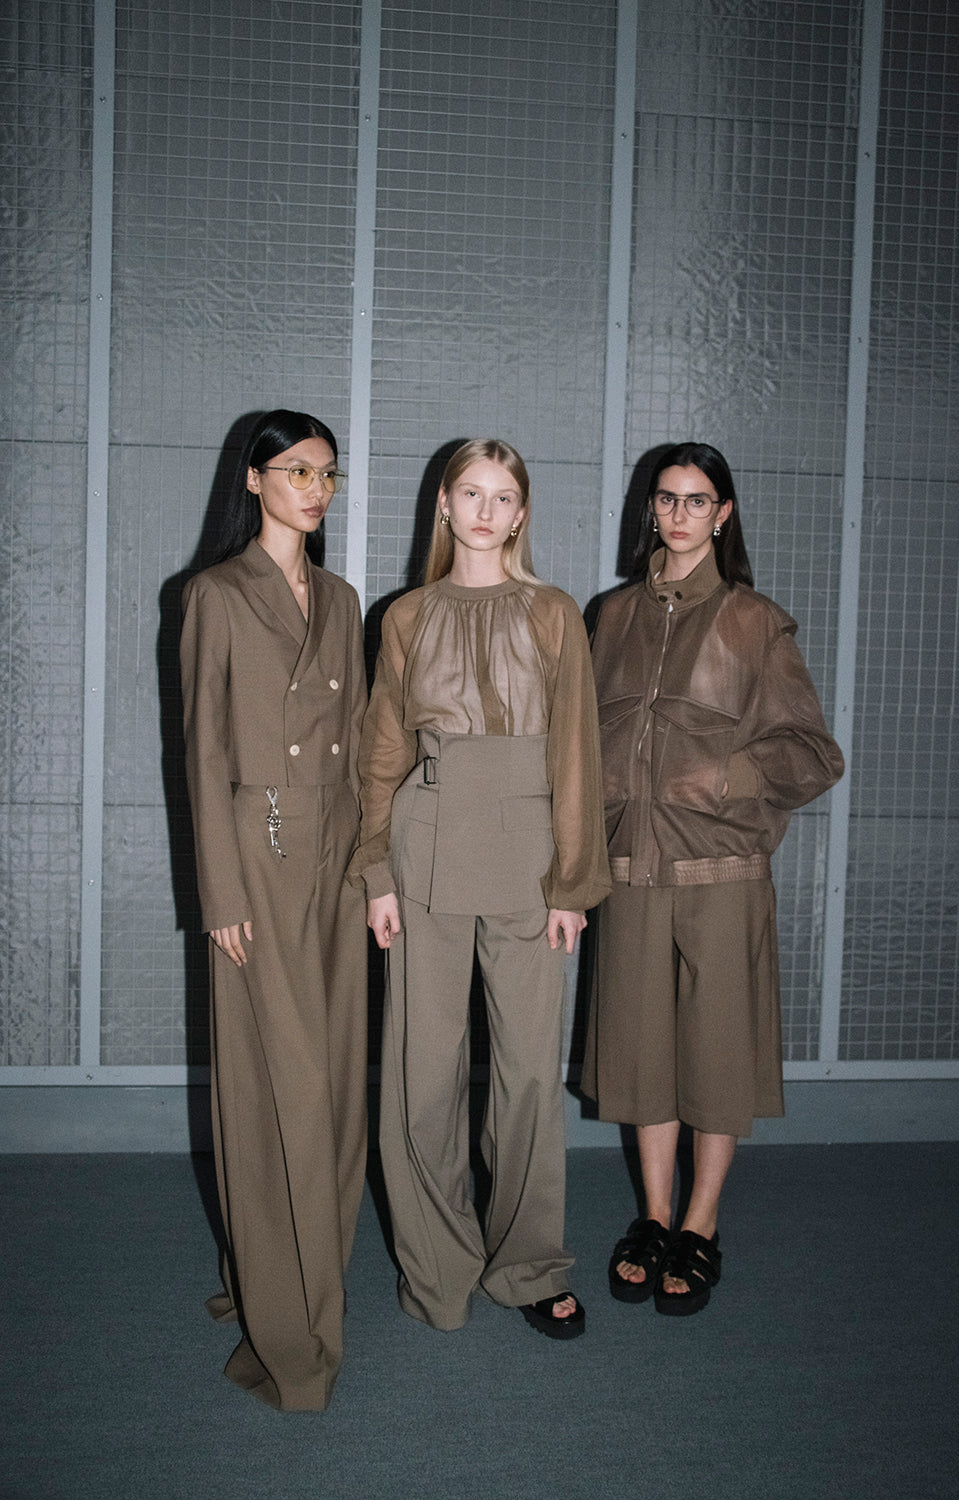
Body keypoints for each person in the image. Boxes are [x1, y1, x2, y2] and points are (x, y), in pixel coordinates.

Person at [349, 438, 610, 1340]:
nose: (486, 511)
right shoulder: (405, 616)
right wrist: (375, 872)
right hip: (423, 850)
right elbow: (382, 750)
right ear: (444, 504)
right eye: (471, 493)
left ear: (522, 512)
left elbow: (576, 754)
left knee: (529, 1074)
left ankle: (530, 1265)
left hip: (529, 859)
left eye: (503, 496)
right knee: (422, 1074)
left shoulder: (554, 612)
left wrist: (573, 884)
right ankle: (437, 1264)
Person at [582, 442, 843, 1316]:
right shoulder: (610, 617)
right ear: (650, 510)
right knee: (641, 1053)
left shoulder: (754, 622)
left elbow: (813, 754)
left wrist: (727, 774)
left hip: (722, 871)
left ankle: (701, 1222)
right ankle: (653, 1215)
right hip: (632, 871)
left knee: (717, 1056)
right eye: (667, 499)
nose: (680, 514)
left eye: (698, 500)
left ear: (723, 514)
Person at [179, 409, 368, 1409]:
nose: (315, 489)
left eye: (327, 474)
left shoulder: (340, 598)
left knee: (331, 1077)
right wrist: (219, 892)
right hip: (258, 854)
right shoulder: (214, 594)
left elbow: (362, 740)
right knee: (274, 1082)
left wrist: (374, 870)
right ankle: (292, 1328)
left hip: (334, 856)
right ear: (253, 480)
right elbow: (203, 751)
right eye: (296, 471)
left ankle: (302, 1263)